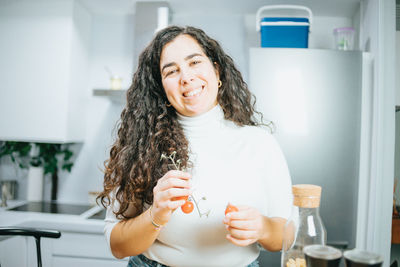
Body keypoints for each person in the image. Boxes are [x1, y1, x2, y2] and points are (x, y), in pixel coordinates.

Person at [97, 25, 292, 267]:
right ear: (161, 88)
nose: (186, 77)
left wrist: (262, 228)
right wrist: (155, 215)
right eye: (171, 71)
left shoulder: (260, 143)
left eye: (195, 62)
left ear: (217, 71)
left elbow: (287, 236)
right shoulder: (142, 148)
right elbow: (117, 246)